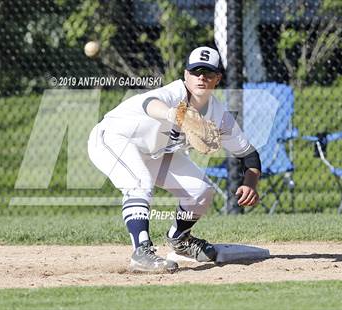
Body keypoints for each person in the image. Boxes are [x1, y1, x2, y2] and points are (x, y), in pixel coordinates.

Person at [88, 46, 261, 273]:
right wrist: (179, 116)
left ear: (217, 78)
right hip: (113, 138)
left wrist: (251, 182)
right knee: (139, 183)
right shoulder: (173, 93)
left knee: (200, 191)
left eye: (208, 73)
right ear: (186, 75)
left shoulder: (218, 115)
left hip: (155, 152)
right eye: (196, 71)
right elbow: (149, 104)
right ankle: (142, 252)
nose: (201, 77)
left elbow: (249, 154)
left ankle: (180, 240)